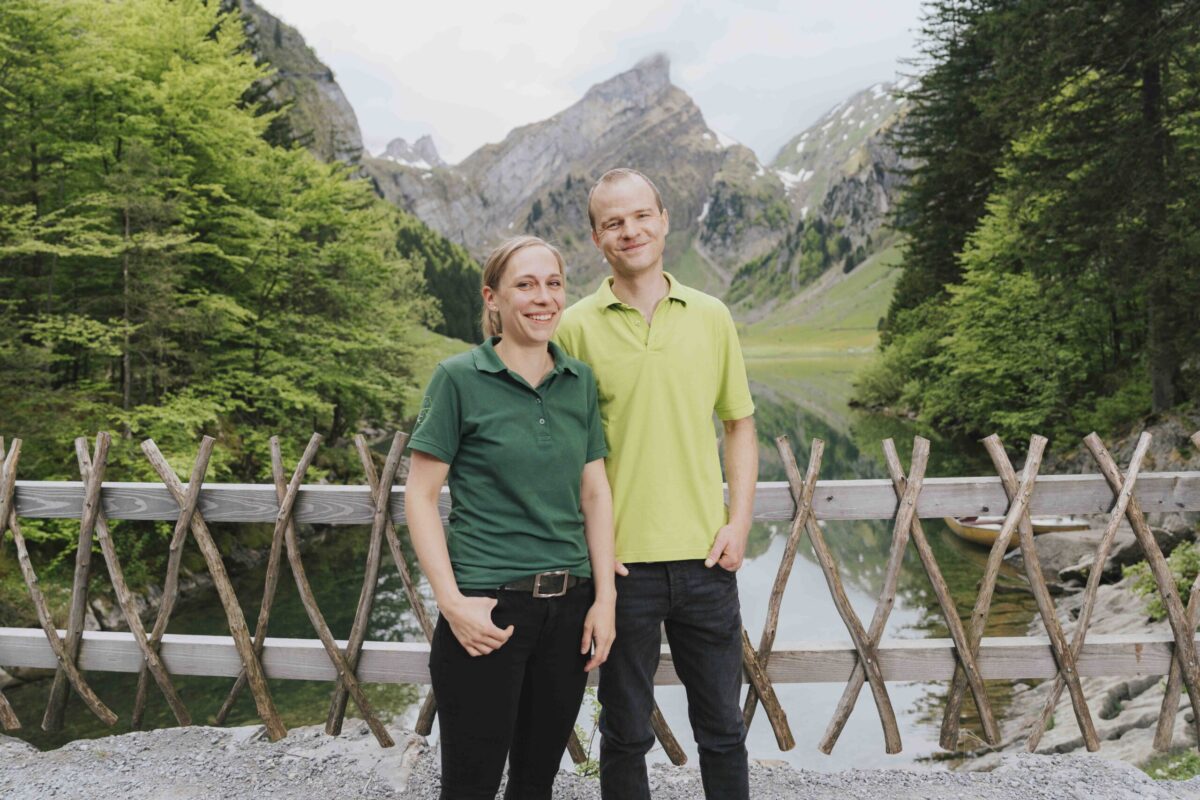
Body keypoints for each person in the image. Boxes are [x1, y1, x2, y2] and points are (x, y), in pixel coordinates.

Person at [555, 168, 758, 800]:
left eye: (641, 215)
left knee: (723, 730)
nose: (630, 231)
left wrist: (739, 522)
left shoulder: (711, 316)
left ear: (665, 220)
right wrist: (594, 553)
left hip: (708, 559)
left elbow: (739, 425)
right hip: (620, 570)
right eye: (613, 222)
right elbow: (564, 451)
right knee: (624, 733)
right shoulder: (574, 327)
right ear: (597, 238)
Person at [405, 235, 617, 800]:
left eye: (553, 283)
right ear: (493, 298)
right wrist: (451, 603)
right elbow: (420, 497)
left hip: (569, 610)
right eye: (525, 284)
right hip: (488, 610)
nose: (543, 297)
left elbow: (595, 493)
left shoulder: (579, 381)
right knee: (470, 787)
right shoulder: (457, 378)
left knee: (535, 784)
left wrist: (604, 599)